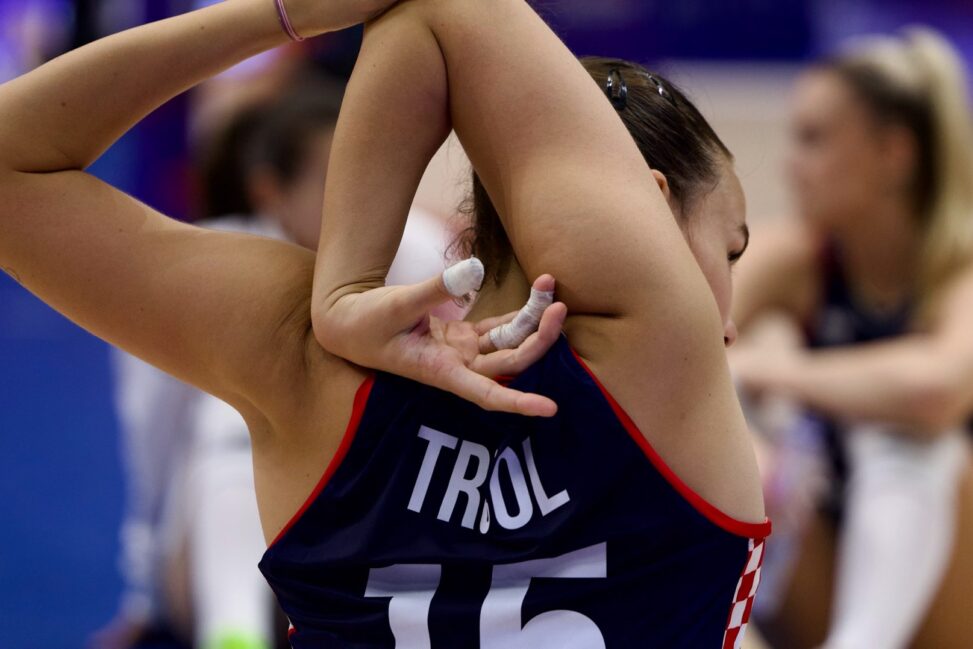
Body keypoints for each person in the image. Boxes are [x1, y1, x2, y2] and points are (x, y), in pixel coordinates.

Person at [0, 0, 767, 646]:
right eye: (727, 251)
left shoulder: (304, 361)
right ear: (655, 212)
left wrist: (287, 15)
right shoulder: (664, 355)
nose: (727, 326)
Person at [730, 28, 973, 649]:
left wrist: (767, 371)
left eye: (813, 139)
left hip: (953, 579)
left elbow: (935, 392)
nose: (790, 164)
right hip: (838, 558)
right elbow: (684, 346)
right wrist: (746, 443)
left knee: (906, 442)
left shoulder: (960, 269)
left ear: (894, 153)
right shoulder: (802, 258)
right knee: (755, 458)